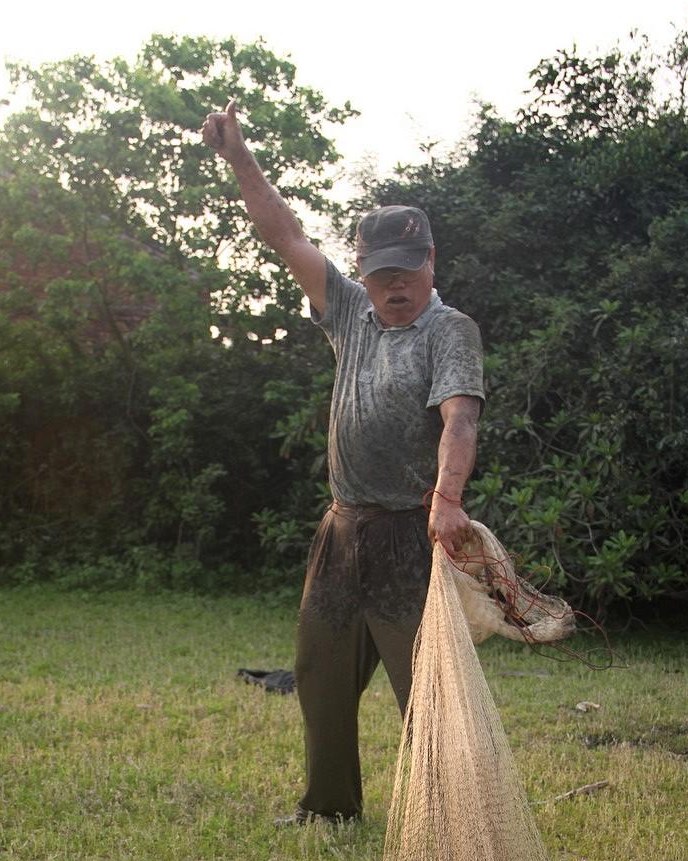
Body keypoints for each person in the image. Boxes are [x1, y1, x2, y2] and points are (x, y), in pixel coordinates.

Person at [203, 101, 485, 823]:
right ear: (364, 269)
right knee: (318, 674)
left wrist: (448, 500)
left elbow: (459, 417)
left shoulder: (449, 331)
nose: (395, 286)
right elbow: (285, 232)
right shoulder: (349, 311)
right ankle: (329, 808)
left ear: (431, 263)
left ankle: (447, 823)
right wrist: (240, 158)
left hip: (408, 536)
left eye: (409, 270)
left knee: (425, 689)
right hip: (342, 530)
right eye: (382, 271)